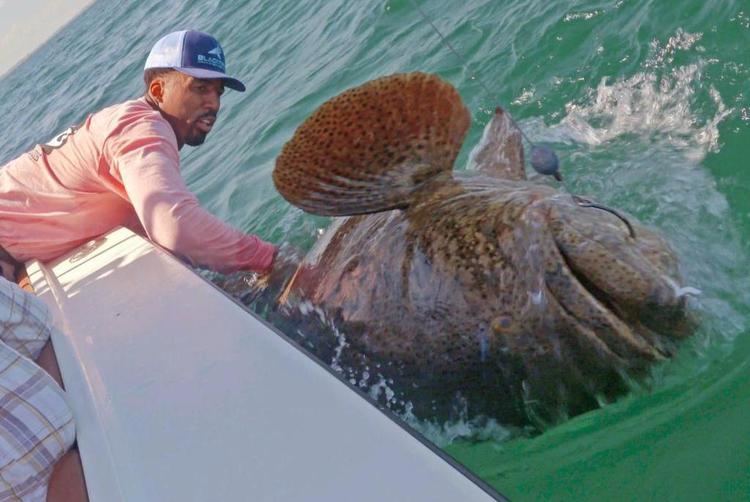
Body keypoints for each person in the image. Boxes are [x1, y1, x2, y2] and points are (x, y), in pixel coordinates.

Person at [0, 30, 278, 282]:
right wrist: (270, 259)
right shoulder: (142, 128)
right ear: (158, 90)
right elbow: (175, 227)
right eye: (200, 88)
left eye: (218, 92)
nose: (214, 103)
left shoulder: (129, 124)